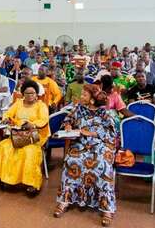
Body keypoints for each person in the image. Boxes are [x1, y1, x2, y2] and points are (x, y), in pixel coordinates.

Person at [54, 84, 117, 226]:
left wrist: (92, 133)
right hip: (80, 143)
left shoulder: (104, 113)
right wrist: (68, 125)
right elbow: (67, 119)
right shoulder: (78, 108)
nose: (80, 97)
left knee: (102, 164)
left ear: (92, 100)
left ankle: (107, 208)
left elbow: (112, 132)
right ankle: (64, 201)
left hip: (101, 145)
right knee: (71, 160)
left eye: (84, 95)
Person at [0, 79, 49, 195]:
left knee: (29, 151)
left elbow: (44, 120)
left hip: (34, 135)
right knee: (5, 147)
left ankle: (31, 184)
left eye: (33, 93)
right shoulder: (18, 103)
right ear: (23, 94)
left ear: (36, 94)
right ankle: (6, 179)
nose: (30, 96)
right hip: (18, 135)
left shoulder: (41, 105)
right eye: (27, 93)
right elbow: (8, 113)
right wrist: (7, 119)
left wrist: (32, 124)